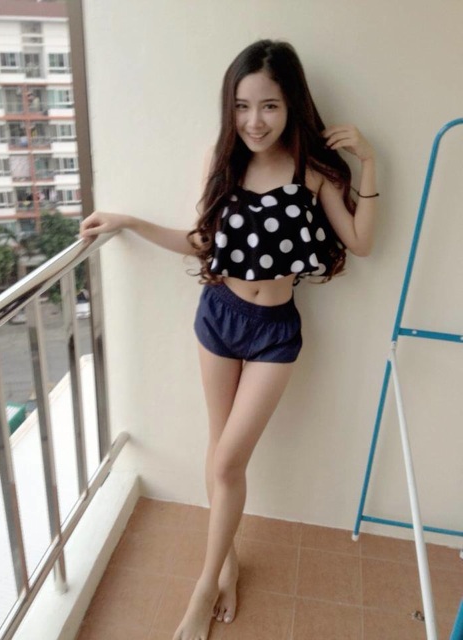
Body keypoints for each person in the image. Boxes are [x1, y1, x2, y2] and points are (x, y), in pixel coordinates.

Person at [79, 39, 377, 640]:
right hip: (219, 315)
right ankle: (227, 562)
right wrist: (130, 222)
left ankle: (202, 587)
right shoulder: (224, 162)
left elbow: (361, 242)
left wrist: (370, 165)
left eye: (268, 106)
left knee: (226, 461)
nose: (254, 121)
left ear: (291, 105)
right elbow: (203, 242)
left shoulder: (312, 169)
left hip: (275, 331)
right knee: (219, 452)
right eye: (242, 106)